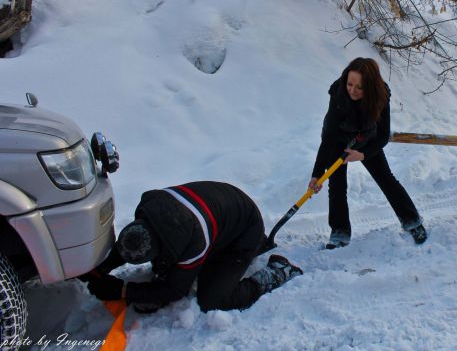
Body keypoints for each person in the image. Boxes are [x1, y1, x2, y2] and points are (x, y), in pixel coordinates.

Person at [84, 181, 302, 313]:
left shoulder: (195, 240)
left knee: (212, 300)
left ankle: (276, 272)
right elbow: (130, 243)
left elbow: (176, 290)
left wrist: (123, 291)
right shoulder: (149, 207)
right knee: (163, 269)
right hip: (222, 210)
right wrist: (102, 267)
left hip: (243, 232)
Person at [309, 57, 426, 249]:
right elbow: (329, 136)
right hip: (339, 140)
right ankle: (340, 232)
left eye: (359, 87)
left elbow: (382, 136)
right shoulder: (338, 93)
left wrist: (362, 154)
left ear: (370, 87)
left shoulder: (380, 97)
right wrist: (317, 174)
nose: (352, 90)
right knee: (336, 186)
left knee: (386, 179)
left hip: (367, 139)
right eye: (350, 84)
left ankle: (412, 221)